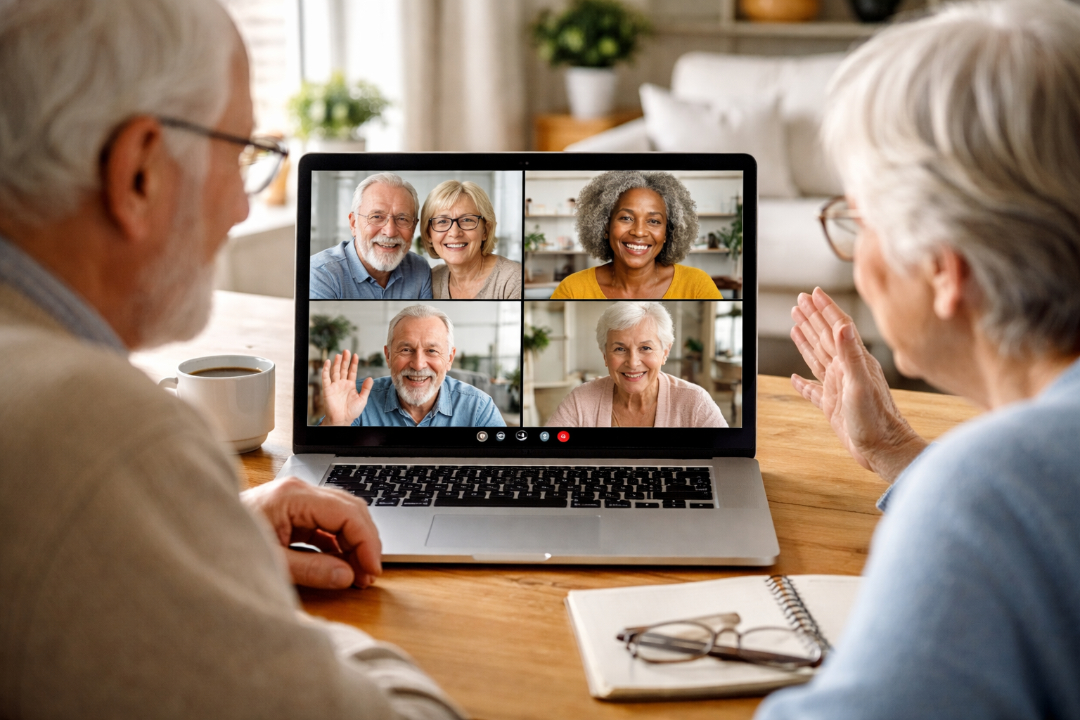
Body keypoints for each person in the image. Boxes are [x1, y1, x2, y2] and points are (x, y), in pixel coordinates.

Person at [0, 1, 465, 718]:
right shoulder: (98, 430)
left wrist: (201, 537)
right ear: (140, 172)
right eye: (242, 154)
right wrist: (235, 584)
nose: (242, 211)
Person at [754, 1, 1080, 718]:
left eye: (859, 222)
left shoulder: (989, 491)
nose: (856, 253)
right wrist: (897, 451)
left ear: (942, 269)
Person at [546, 302, 728, 427]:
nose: (633, 362)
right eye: (619, 349)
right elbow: (545, 455)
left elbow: (726, 460)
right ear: (604, 355)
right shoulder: (581, 400)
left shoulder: (695, 402)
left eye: (646, 348)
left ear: (665, 352)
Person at [321, 305, 505, 428]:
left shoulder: (479, 407)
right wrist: (335, 424)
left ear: (449, 358)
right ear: (388, 355)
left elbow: (503, 469)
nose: (418, 365)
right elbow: (315, 465)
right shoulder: (356, 399)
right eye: (406, 349)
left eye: (432, 351)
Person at [550, 171, 722, 300]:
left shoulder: (697, 285)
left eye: (654, 221)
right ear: (604, 226)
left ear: (668, 233)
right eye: (626, 218)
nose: (639, 232)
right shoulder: (572, 290)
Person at [309, 172, 433, 299]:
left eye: (402, 219)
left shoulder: (420, 269)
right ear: (353, 224)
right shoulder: (320, 274)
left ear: (413, 227)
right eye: (377, 217)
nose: (390, 232)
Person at [420, 180, 522, 299]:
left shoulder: (513, 280)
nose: (454, 233)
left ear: (485, 230)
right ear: (428, 234)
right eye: (442, 221)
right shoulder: (430, 281)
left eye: (467, 220)